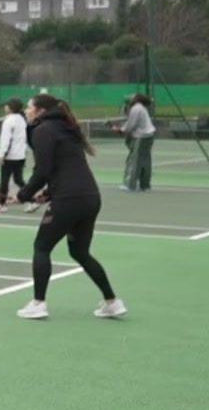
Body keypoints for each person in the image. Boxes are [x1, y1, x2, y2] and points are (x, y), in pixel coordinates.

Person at [15, 94, 126, 321]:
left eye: (29, 107)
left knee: (42, 247)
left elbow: (43, 170)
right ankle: (112, 302)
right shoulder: (66, 127)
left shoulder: (42, 131)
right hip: (89, 197)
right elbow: (64, 168)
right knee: (79, 252)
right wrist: (45, 194)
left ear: (40, 110)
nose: (26, 111)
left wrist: (24, 194)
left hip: (69, 199)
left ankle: (38, 304)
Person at [0, 98, 35, 211]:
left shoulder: (9, 121)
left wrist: (2, 155)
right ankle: (32, 201)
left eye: (6, 105)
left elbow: (6, 140)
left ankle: (2, 205)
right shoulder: (22, 120)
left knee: (4, 181)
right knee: (18, 180)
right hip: (20, 156)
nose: (4, 107)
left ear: (9, 108)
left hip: (10, 157)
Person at [121, 93, 156, 192]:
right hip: (149, 136)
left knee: (135, 161)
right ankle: (145, 185)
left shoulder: (136, 108)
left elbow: (131, 125)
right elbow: (131, 123)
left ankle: (130, 185)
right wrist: (123, 128)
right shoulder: (140, 108)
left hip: (142, 137)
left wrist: (122, 130)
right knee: (145, 161)